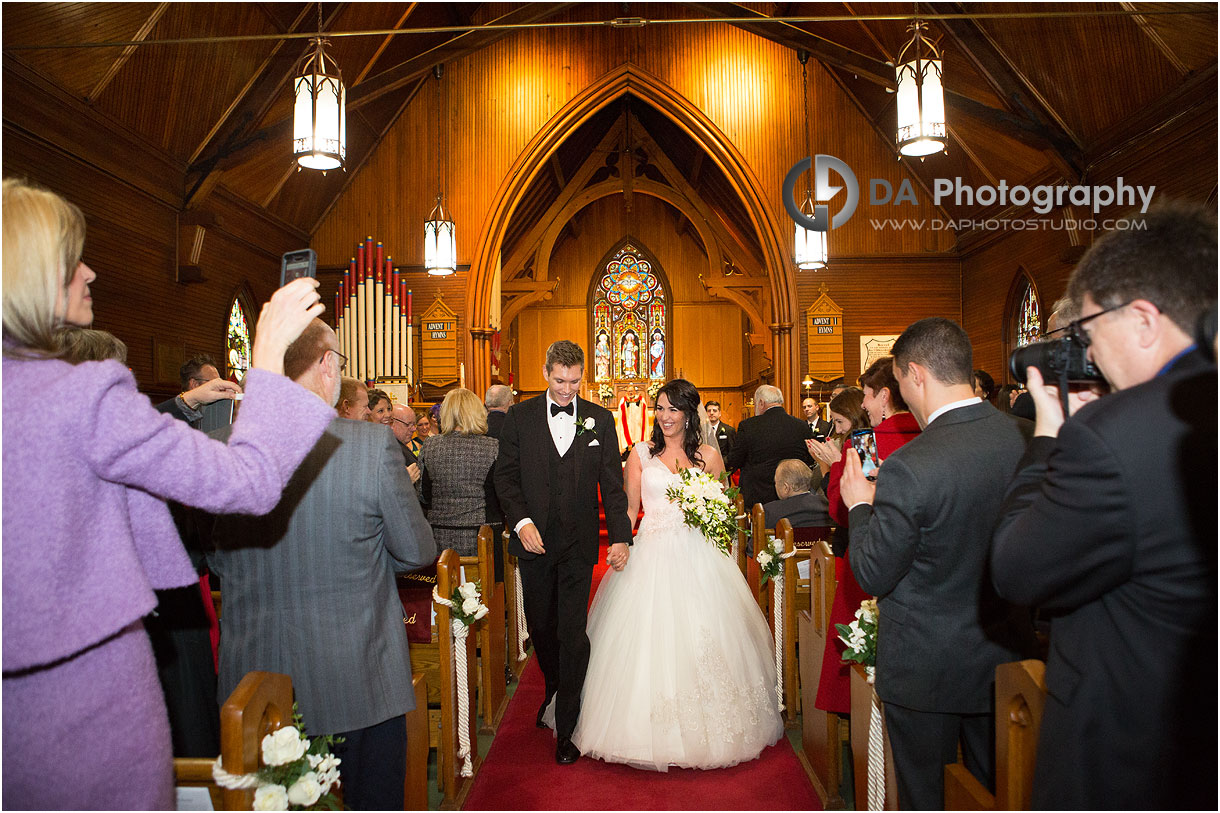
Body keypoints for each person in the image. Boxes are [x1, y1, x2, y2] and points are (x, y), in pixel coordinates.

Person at [1, 178, 335, 809]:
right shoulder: (84, 394)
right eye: (74, 261)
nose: (92, 273)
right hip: (89, 701)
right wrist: (266, 359)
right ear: (32, 276)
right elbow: (250, 482)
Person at [991, 203, 1217, 809]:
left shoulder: (1114, 434)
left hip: (1128, 754)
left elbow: (1016, 568)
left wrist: (1045, 438)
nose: (1086, 355)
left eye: (1088, 333)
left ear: (1143, 319)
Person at [207, 318, 437, 811]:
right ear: (327, 364)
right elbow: (418, 552)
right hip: (358, 680)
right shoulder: (371, 447)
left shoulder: (220, 447)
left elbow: (215, 559)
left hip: (253, 691)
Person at [838, 318, 1035, 810]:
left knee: (926, 798)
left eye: (901, 384)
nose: (902, 397)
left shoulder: (912, 464)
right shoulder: (1029, 439)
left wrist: (861, 504)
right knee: (1002, 792)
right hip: (1008, 661)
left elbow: (872, 572)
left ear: (917, 375)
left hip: (926, 669)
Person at [570, 378, 784, 770]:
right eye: (660, 407)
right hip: (652, 550)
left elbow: (721, 507)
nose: (665, 416)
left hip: (699, 555)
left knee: (706, 634)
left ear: (689, 413)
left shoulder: (708, 457)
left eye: (673, 409)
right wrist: (621, 541)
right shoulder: (639, 454)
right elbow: (631, 508)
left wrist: (710, 519)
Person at [493, 340, 632, 765]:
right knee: (542, 629)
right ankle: (555, 689)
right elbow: (506, 478)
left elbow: (612, 483)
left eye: (574, 381)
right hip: (534, 543)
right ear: (545, 372)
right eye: (559, 380)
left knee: (573, 632)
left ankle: (568, 728)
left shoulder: (600, 419)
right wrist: (521, 522)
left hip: (578, 544)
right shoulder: (518, 418)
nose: (568, 389)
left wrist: (622, 536)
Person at [418, 388, 500, 557]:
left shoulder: (430, 446)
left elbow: (424, 494)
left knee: (444, 581)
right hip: (482, 533)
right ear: (478, 412)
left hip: (439, 534)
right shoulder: (492, 447)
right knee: (483, 583)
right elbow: (499, 494)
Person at [725, 384, 815, 510]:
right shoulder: (801, 426)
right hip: (793, 498)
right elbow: (809, 460)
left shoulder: (749, 426)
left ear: (761, 402)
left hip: (758, 500)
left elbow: (736, 459)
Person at [156, 353, 242, 426]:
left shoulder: (217, 413)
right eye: (212, 383)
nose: (219, 388)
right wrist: (192, 397)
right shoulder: (170, 419)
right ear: (195, 384)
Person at [762, 459, 832, 530]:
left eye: (776, 482)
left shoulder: (769, 511)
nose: (775, 486)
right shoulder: (828, 505)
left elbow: (756, 540)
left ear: (786, 488)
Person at [388, 402, 422, 485]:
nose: (414, 429)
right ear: (392, 423)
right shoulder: (390, 450)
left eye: (414, 424)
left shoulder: (399, 446)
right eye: (408, 424)